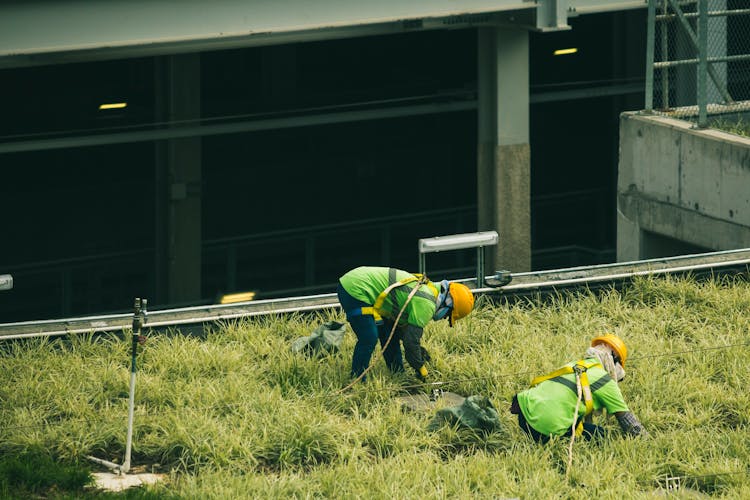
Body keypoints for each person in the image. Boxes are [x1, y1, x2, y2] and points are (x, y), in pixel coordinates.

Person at [337, 266, 475, 381]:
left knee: (390, 334)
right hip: (355, 289)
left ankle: (397, 374)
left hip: (356, 281)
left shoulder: (427, 289)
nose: (444, 318)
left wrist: (418, 351)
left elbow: (404, 333)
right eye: (447, 315)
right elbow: (410, 343)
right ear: (448, 303)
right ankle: (357, 380)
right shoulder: (427, 303)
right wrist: (421, 369)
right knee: (369, 337)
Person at [510, 334, 646, 443]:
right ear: (615, 363)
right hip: (546, 427)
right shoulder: (605, 381)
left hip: (524, 415)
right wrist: (647, 440)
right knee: (601, 435)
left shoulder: (575, 365)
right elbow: (629, 423)